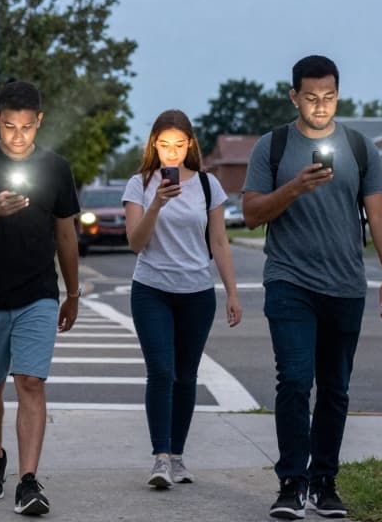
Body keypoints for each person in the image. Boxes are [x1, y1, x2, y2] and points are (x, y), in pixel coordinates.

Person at [241, 55, 382, 520]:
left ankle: (324, 482)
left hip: (346, 285)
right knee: (294, 381)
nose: (320, 106)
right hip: (289, 280)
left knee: (335, 388)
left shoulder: (358, 146)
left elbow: (379, 212)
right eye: (311, 97)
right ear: (294, 96)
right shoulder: (271, 147)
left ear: (338, 94)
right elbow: (252, 214)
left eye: (329, 97)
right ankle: (292, 482)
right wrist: (294, 188)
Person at [0, 80, 82, 517]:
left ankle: (27, 480)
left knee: (30, 382)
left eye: (27, 126)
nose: (18, 135)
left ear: (39, 121)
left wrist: (73, 292)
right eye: (9, 126)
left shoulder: (56, 168)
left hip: (37, 294)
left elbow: (66, 233)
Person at [122, 109, 242, 489]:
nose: (170, 153)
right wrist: (157, 202)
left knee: (186, 376)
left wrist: (232, 293)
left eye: (178, 144)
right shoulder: (138, 184)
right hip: (151, 289)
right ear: (153, 146)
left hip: (197, 293)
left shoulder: (208, 186)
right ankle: (160, 458)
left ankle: (177, 455)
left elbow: (219, 241)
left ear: (190, 144)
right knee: (161, 370)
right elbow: (135, 244)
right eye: (163, 145)